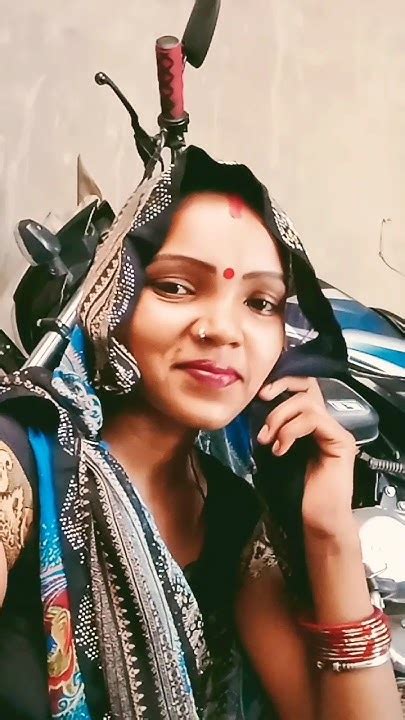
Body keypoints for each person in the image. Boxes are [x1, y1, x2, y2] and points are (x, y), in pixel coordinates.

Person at [0, 146, 401, 720]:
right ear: (115, 298)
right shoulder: (21, 460)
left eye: (260, 302)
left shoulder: (233, 517)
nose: (223, 329)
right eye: (176, 287)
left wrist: (331, 531)